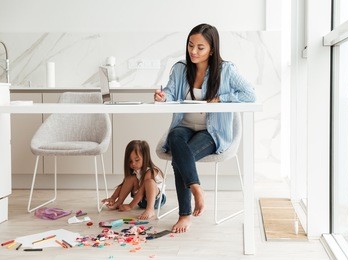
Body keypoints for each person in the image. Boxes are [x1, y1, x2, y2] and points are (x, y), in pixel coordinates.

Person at [154, 23, 256, 233]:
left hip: (212, 132)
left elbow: (251, 95)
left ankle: (185, 214)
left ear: (212, 49)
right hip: (185, 125)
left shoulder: (226, 70)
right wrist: (163, 97)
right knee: (175, 137)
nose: (193, 51)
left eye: (200, 47)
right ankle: (197, 189)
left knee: (180, 157)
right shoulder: (181, 68)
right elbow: (171, 94)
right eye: (191, 45)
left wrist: (221, 99)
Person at [101, 140, 166, 220]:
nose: (133, 164)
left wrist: (130, 205)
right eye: (130, 161)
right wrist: (113, 198)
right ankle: (119, 202)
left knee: (149, 182)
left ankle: (150, 209)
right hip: (141, 201)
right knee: (129, 179)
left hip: (156, 201)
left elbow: (142, 191)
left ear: (145, 157)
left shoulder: (150, 171)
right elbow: (123, 185)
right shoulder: (135, 171)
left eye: (137, 160)